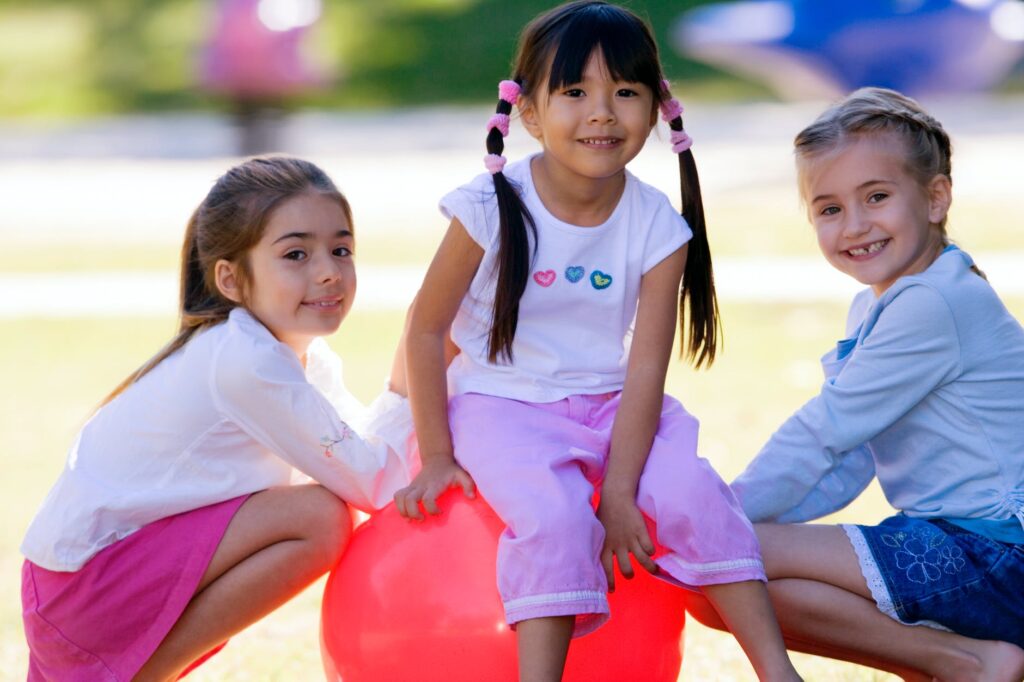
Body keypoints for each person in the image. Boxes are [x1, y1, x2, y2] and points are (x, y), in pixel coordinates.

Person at [392, 2, 801, 680]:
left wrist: (620, 490)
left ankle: (776, 670)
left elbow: (645, 368)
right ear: (529, 112)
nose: (602, 112)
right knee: (554, 522)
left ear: (658, 105)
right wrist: (435, 455)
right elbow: (425, 327)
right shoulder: (487, 207)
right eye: (576, 91)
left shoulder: (657, 225)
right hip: (502, 408)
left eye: (626, 92)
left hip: (612, 406)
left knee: (694, 492)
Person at [20, 156, 417, 681]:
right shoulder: (243, 361)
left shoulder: (297, 358)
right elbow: (375, 483)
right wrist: (415, 367)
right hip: (82, 590)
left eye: (341, 249)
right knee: (318, 518)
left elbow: (364, 457)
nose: (329, 270)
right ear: (230, 278)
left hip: (77, 586)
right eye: (296, 253)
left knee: (319, 512)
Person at [687, 87, 1024, 682]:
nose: (856, 225)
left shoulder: (933, 301)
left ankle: (970, 662)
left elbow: (825, 432)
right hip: (959, 546)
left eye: (876, 196)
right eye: (829, 208)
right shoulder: (879, 306)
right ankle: (956, 662)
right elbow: (846, 461)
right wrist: (736, 526)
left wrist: (722, 515)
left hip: (999, 555)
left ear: (936, 197)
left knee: (716, 554)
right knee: (718, 574)